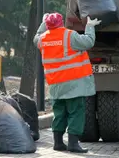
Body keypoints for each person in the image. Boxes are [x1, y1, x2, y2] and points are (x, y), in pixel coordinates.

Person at [34, 12, 101, 153]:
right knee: (76, 112)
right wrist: (89, 26)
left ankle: (58, 143)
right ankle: (73, 144)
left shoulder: (42, 39)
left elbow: (36, 37)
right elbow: (89, 42)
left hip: (55, 84)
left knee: (59, 113)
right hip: (73, 84)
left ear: (47, 25)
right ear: (61, 22)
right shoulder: (69, 36)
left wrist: (43, 22)